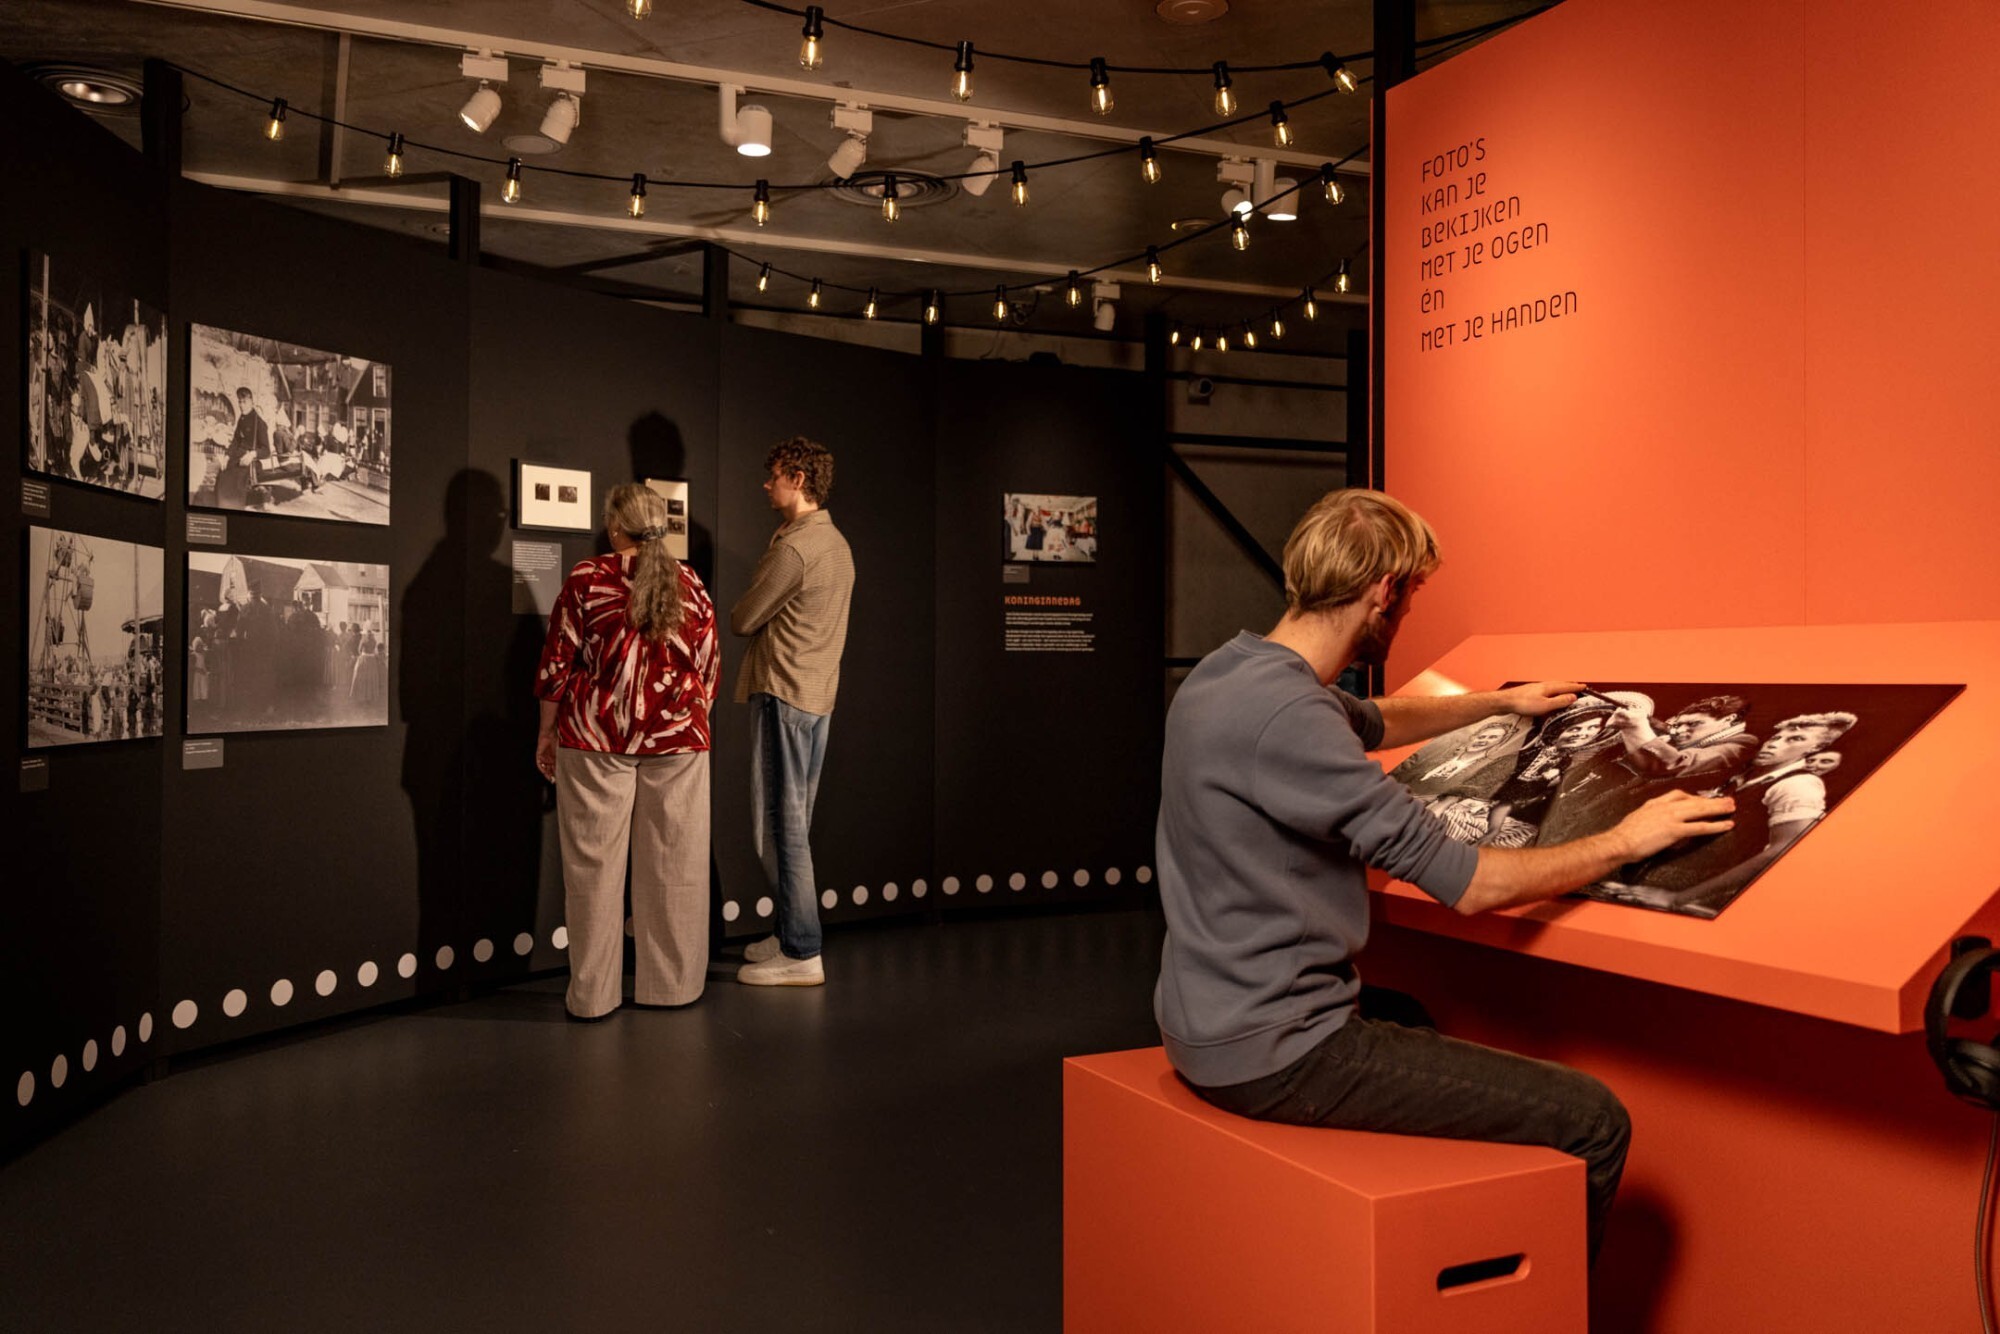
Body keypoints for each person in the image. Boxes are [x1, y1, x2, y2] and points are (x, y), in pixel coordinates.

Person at [1154, 488, 1733, 1262]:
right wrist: (1630, 837)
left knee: (1415, 1018)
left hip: (1199, 1016)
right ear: (1385, 592)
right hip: (1277, 1050)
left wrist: (1498, 704)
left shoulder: (1230, 676)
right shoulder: (1293, 721)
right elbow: (1475, 886)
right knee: (1594, 1118)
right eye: (1414, 593)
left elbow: (1379, 720)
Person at [535, 483, 719, 1020]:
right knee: (676, 864)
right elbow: (708, 668)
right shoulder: (691, 583)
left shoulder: (586, 580)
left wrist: (546, 733)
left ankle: (592, 997)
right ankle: (674, 988)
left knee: (592, 869)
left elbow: (556, 665)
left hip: (595, 739)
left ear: (616, 527)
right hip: (679, 741)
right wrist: (681, 718)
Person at [731, 436, 855, 987]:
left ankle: (802, 950)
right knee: (791, 824)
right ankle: (789, 933)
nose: (766, 483)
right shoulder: (835, 543)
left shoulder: (795, 549)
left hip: (784, 694)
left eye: (774, 473)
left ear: (798, 480)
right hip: (814, 696)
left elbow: (743, 617)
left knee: (779, 829)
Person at [219, 386, 267, 510]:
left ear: (252, 402)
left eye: (244, 401)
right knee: (222, 474)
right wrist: (227, 456)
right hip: (237, 457)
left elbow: (266, 450)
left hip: (250, 462)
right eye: (239, 401)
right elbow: (236, 440)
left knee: (235, 481)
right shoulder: (242, 419)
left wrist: (252, 454)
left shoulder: (259, 423)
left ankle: (233, 509)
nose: (241, 405)